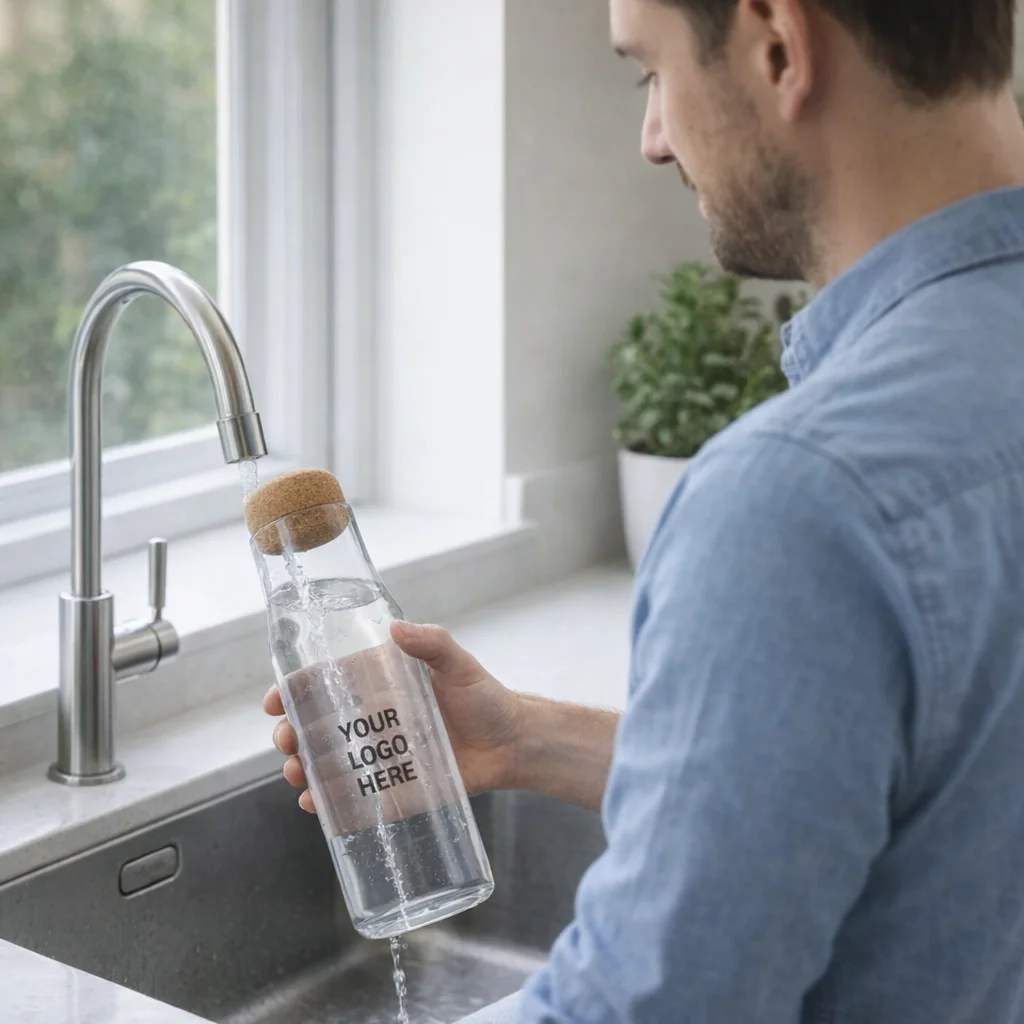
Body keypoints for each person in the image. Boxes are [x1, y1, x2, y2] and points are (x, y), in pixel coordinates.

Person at [265, 0, 1024, 1019]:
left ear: (775, 43)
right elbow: (946, 785)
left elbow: (641, 1005)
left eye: (648, 73)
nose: (653, 138)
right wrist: (526, 736)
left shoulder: (801, 499)